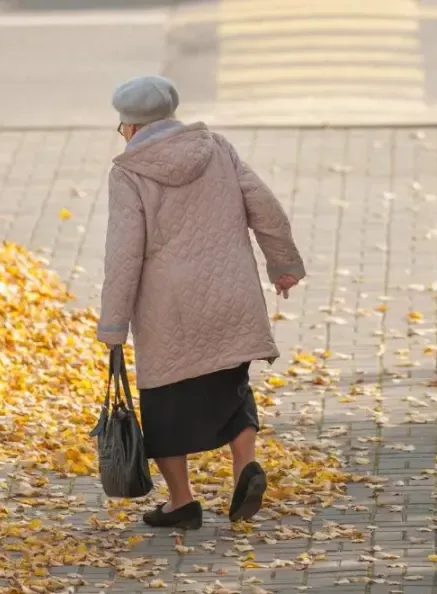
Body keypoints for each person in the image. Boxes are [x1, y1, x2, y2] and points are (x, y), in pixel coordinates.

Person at [96, 75, 305, 529]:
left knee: (165, 405)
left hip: (168, 311)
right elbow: (264, 207)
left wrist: (112, 327)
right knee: (232, 390)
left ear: (130, 127)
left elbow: (124, 253)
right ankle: (244, 467)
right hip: (231, 295)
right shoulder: (217, 148)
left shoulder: (129, 173)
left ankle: (182, 502)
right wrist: (282, 264)